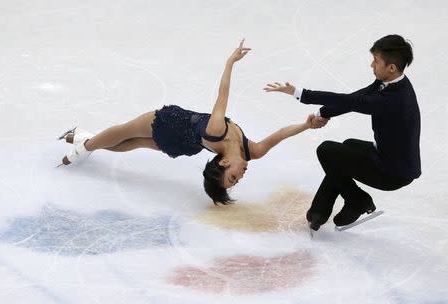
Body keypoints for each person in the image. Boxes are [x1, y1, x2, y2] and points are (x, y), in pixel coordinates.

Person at [59, 39, 318, 205]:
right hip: (183, 145)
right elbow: (281, 134)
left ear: (225, 163)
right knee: (133, 142)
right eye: (236, 181)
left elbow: (222, 95)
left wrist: (230, 62)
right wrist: (306, 125)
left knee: (126, 132)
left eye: (233, 178)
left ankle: (85, 144)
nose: (240, 177)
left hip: (169, 124)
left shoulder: (217, 130)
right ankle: (85, 139)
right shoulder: (253, 152)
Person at [264, 34, 421, 230]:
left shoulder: (393, 100)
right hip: (387, 155)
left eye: (376, 61)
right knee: (347, 147)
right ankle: (323, 211)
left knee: (327, 150)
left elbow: (353, 102)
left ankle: (354, 200)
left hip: (392, 172)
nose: (372, 65)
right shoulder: (393, 83)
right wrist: (323, 113)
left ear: (392, 67)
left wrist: (301, 94)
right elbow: (357, 97)